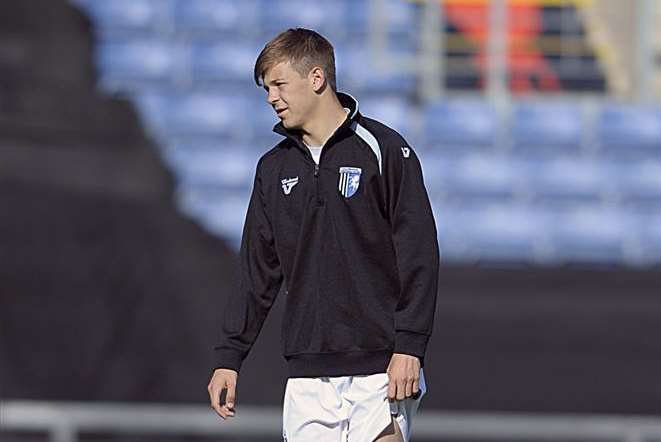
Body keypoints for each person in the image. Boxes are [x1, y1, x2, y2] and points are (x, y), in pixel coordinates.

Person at [207, 28, 440, 442]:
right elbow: (256, 272)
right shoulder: (272, 169)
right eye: (266, 89)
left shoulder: (385, 150)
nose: (271, 98)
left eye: (279, 84)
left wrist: (410, 346)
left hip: (380, 365)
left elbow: (419, 253)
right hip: (308, 375)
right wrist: (230, 356)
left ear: (317, 78)